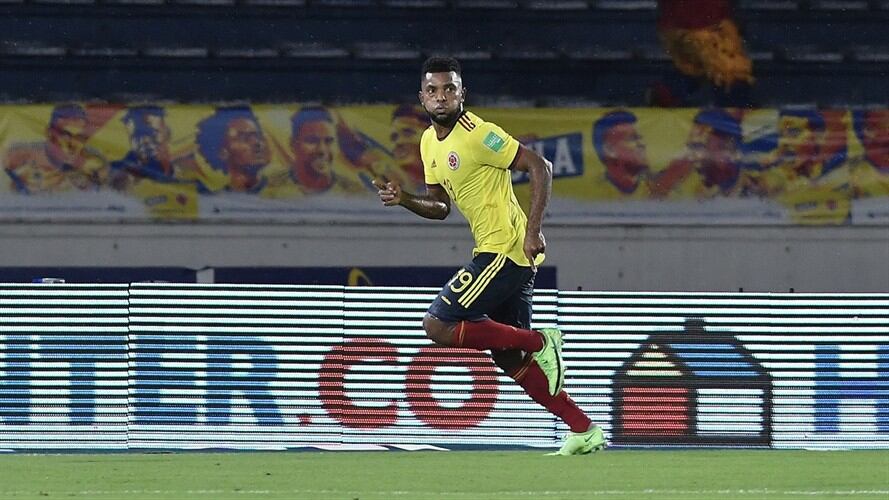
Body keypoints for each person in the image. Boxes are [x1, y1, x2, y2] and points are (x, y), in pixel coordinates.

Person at [373, 56, 606, 456]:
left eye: (449, 89)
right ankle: (584, 429)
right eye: (433, 90)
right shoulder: (429, 143)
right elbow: (440, 206)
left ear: (463, 93)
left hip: (506, 249)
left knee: (438, 324)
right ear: (422, 98)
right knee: (509, 358)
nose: (441, 97)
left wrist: (533, 231)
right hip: (500, 251)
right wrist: (405, 200)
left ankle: (540, 341)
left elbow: (541, 166)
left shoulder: (479, 133)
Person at [4, 104, 109, 194]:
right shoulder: (18, 158)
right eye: (66, 134)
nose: (73, 144)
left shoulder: (96, 166)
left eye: (80, 137)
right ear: (49, 134)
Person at [195, 106, 271, 193]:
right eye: (244, 138)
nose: (257, 143)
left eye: (258, 136)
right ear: (222, 153)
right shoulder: (214, 199)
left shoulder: (282, 190)